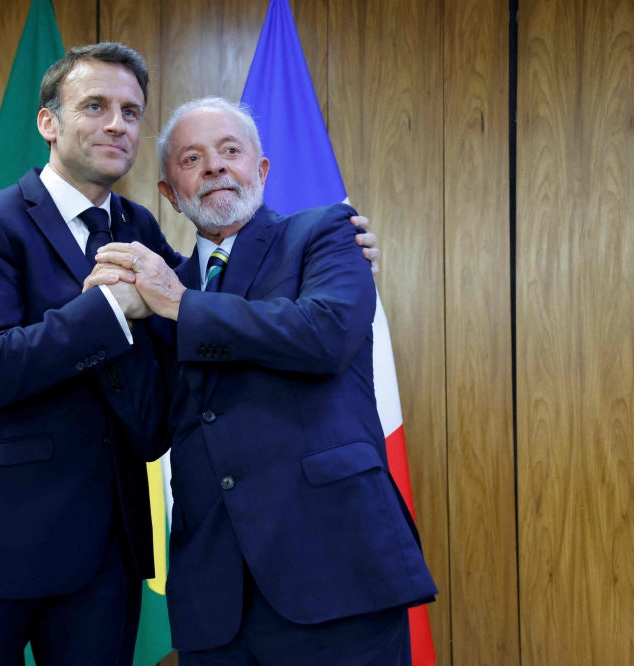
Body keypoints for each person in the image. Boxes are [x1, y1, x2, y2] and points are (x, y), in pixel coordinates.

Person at [0, 41, 379, 665]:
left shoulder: (143, 233)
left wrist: (340, 260)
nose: (116, 124)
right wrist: (104, 313)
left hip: (110, 549)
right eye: (95, 106)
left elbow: (209, 313)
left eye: (131, 111)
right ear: (49, 122)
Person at [88, 97, 436, 666]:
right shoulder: (160, 286)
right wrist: (106, 325)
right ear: (169, 192)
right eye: (192, 158)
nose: (215, 167)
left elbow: (322, 336)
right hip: (215, 595)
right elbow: (151, 429)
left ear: (262, 170)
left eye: (231, 151)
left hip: (335, 567)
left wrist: (181, 306)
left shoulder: (326, 233)